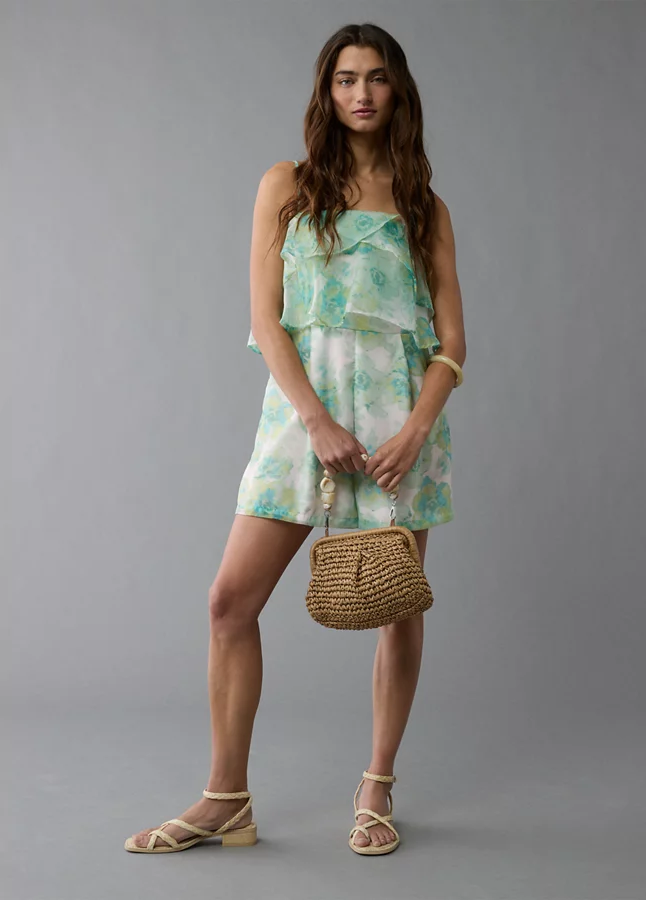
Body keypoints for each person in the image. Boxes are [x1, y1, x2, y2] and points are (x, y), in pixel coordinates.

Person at [124, 22, 466, 857]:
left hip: (397, 432)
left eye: (376, 78)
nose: (361, 93)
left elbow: (453, 344)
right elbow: (266, 320)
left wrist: (416, 431)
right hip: (301, 421)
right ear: (326, 90)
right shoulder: (287, 184)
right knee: (229, 603)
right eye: (346, 78)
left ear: (398, 90)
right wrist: (315, 419)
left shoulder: (424, 208)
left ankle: (377, 787)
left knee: (397, 608)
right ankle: (225, 798)